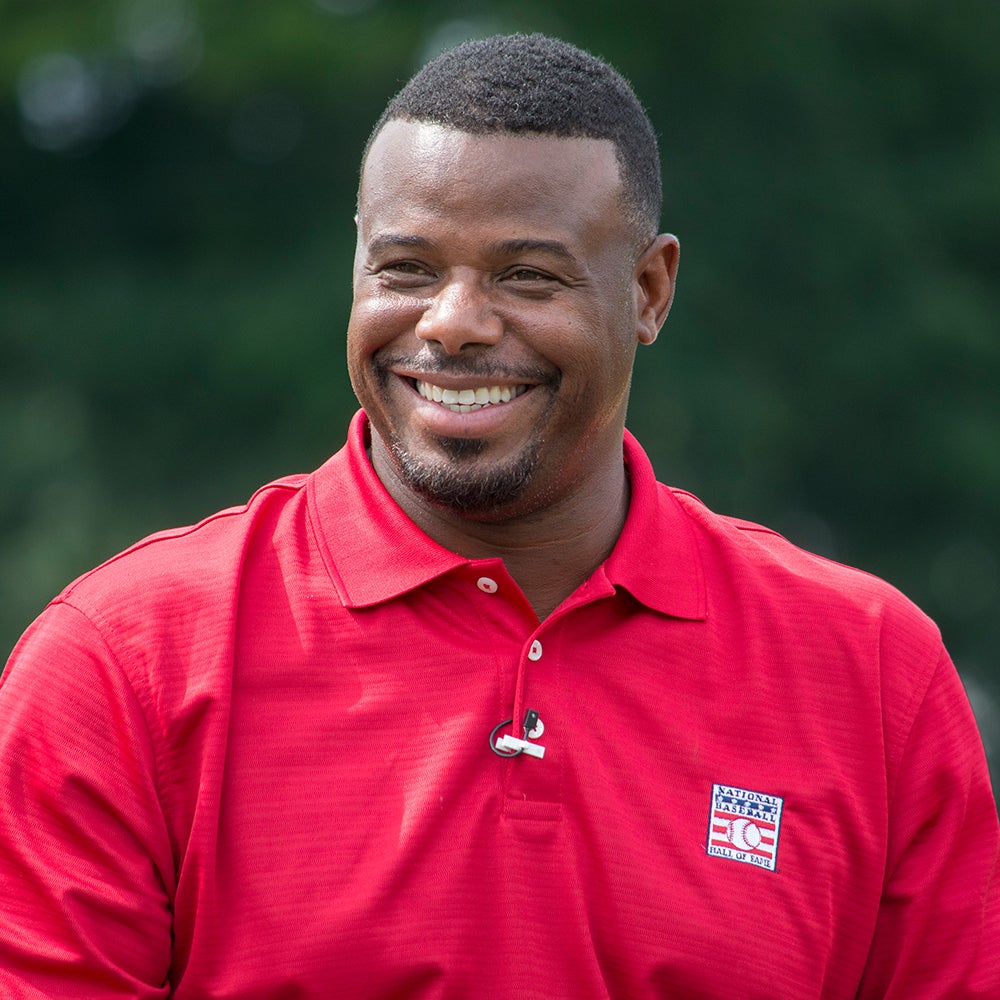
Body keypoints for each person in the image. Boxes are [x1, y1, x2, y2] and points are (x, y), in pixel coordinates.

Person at [0, 32, 997, 1000]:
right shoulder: (122, 664)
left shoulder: (867, 674)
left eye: (527, 275)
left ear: (649, 290)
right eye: (406, 269)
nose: (453, 322)